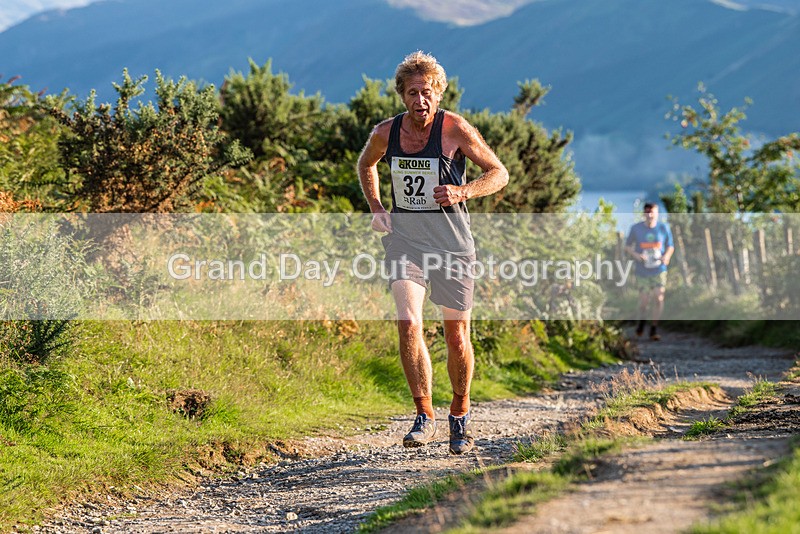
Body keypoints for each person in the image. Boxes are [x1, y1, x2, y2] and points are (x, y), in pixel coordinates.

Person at [357, 51, 508, 454]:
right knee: (408, 324)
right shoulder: (385, 133)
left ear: (438, 93)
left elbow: (498, 173)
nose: (419, 100)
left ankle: (460, 413)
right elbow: (366, 165)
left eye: (426, 92)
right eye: (412, 93)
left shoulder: (455, 129)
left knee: (456, 336)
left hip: (453, 245)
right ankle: (424, 414)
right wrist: (376, 206)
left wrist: (462, 191)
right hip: (405, 242)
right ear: (402, 96)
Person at [625, 203, 674, 341]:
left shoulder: (663, 228)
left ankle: (653, 329)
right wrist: (637, 255)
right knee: (644, 301)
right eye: (647, 212)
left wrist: (666, 257)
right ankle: (641, 323)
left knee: (659, 298)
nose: (649, 215)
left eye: (652, 212)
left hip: (659, 269)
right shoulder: (636, 229)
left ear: (657, 213)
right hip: (642, 270)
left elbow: (670, 246)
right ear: (644, 213)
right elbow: (627, 246)